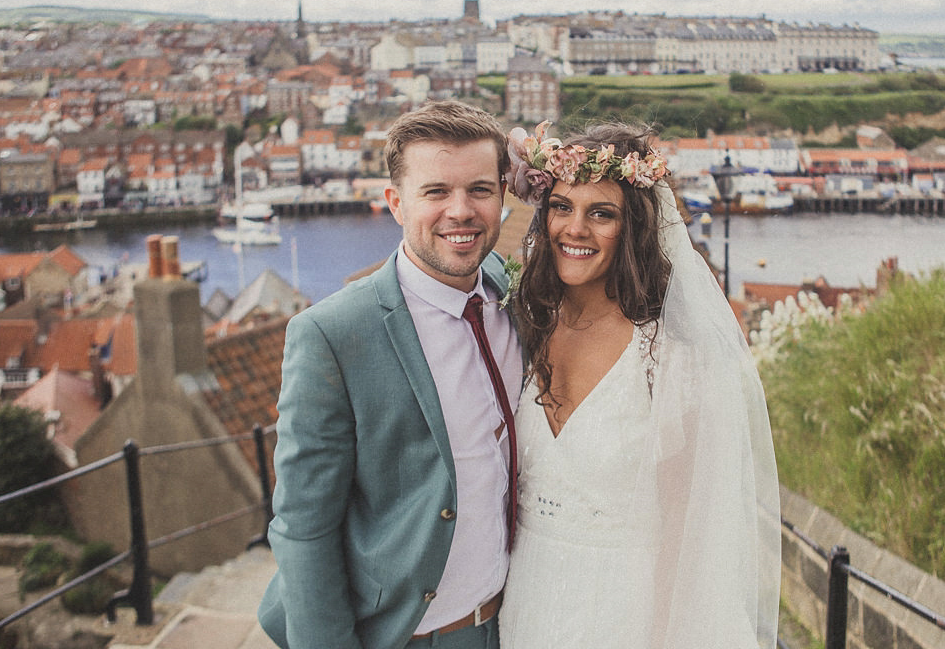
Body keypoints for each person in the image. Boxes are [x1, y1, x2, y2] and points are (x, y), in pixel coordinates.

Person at [497, 122, 780, 648]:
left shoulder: (674, 358)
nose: (574, 228)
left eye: (601, 213)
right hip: (526, 605)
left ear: (634, 229)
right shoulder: (526, 325)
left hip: (626, 613)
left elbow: (692, 538)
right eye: (562, 206)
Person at [258, 100, 524, 649]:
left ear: (504, 195)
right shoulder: (331, 335)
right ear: (395, 204)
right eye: (435, 192)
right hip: (406, 634)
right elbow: (303, 528)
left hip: (513, 623)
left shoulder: (510, 286)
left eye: (479, 189)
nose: (461, 211)